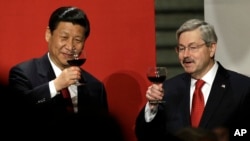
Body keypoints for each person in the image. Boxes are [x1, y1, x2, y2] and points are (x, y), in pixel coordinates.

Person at [135, 19, 250, 141]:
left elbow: (245, 131)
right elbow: (145, 135)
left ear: (211, 48)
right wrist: (153, 106)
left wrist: (228, 135)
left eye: (193, 47)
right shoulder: (169, 89)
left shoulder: (242, 87)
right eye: (181, 48)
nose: (185, 55)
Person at [7, 6, 111, 137]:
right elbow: (18, 112)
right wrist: (56, 85)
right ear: (48, 34)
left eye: (77, 40)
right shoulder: (23, 74)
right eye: (64, 37)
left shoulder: (95, 87)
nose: (70, 46)